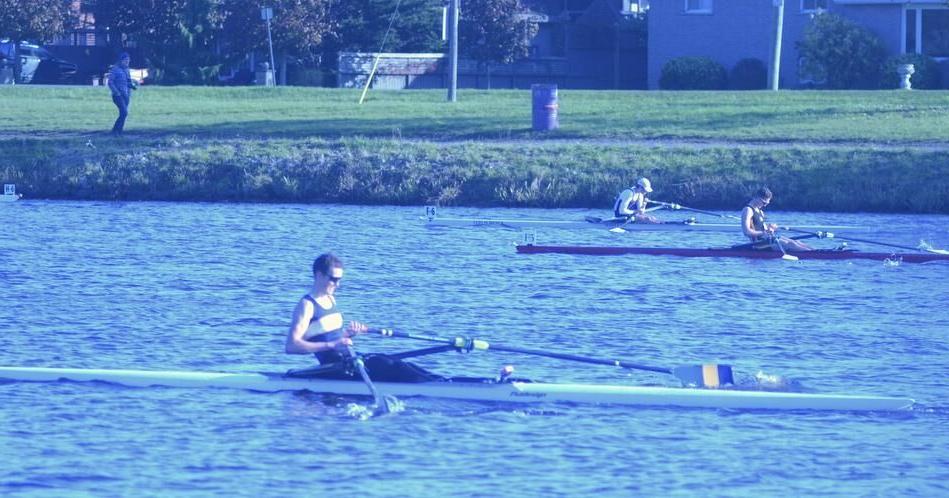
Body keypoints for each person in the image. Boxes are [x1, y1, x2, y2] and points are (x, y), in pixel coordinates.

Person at [285, 253, 442, 382]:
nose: (337, 284)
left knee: (397, 363)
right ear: (319, 275)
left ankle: (441, 382)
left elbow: (328, 334)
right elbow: (291, 346)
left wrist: (349, 334)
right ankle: (437, 387)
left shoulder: (330, 298)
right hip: (335, 368)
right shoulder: (306, 305)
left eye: (340, 280)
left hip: (351, 360)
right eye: (333, 279)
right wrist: (332, 344)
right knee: (388, 365)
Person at [741, 187, 812, 252]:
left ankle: (817, 252)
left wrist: (770, 228)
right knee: (790, 244)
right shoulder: (748, 210)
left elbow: (763, 229)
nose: (765, 205)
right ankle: (814, 254)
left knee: (796, 242)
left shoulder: (760, 211)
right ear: (756, 197)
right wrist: (765, 232)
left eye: (767, 203)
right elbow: (746, 232)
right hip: (759, 245)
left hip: (767, 240)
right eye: (764, 202)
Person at [107, 52, 136, 135]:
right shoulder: (115, 69)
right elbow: (110, 82)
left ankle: (119, 131)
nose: (127, 62)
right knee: (124, 112)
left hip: (126, 95)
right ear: (121, 60)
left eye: (128, 60)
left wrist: (132, 85)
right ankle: (115, 131)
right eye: (125, 60)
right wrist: (116, 92)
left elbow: (128, 81)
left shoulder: (127, 70)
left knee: (123, 114)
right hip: (118, 96)